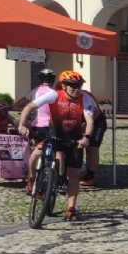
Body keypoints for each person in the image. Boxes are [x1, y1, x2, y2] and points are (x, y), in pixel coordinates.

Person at [18, 71, 96, 221]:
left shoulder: (84, 98)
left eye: (79, 85)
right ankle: (32, 179)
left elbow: (90, 120)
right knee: (36, 154)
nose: (77, 89)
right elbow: (28, 107)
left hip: (74, 138)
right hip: (53, 134)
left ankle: (71, 208)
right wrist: (22, 124)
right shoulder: (54, 95)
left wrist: (86, 137)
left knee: (73, 175)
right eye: (73, 86)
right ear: (64, 86)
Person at [16, 69, 57, 191]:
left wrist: (28, 115)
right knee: (56, 152)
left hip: (36, 126)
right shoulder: (54, 93)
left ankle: (31, 179)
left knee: (35, 153)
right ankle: (56, 180)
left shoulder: (34, 92)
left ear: (40, 79)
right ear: (53, 80)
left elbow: (18, 104)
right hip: (51, 126)